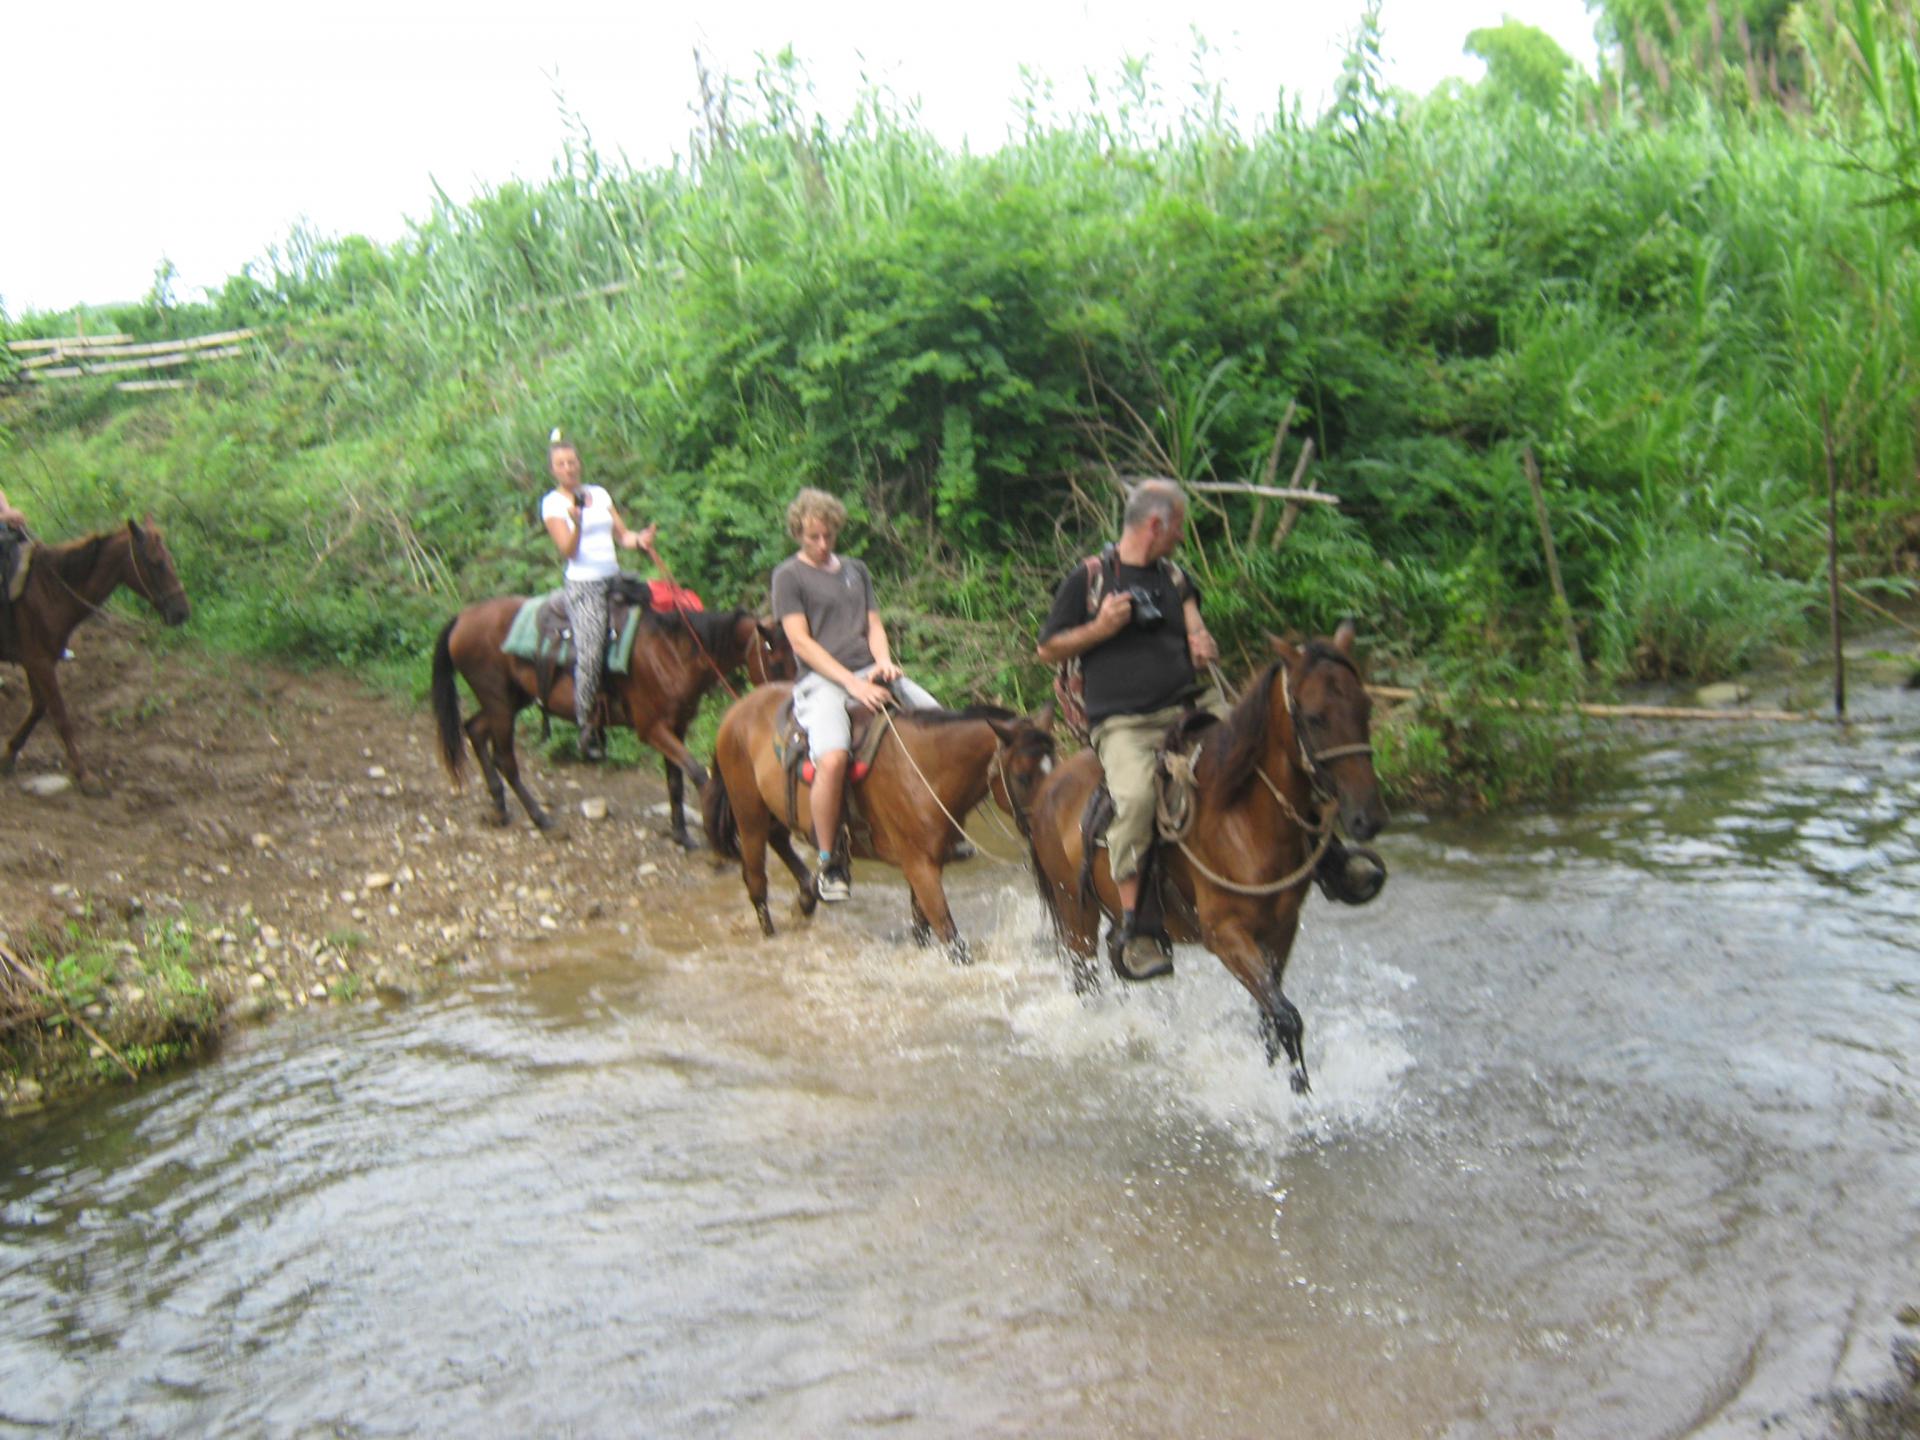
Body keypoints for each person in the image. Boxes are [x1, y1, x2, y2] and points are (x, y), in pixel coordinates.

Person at [1035, 480, 1227, 980]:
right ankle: (1134, 927)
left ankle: (1322, 855)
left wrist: (1201, 640)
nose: (1182, 535)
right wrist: (1099, 628)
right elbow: (1048, 648)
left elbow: (1193, 626)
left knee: (1255, 748)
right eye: (1179, 526)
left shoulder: (1176, 577)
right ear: (1155, 525)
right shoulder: (1089, 579)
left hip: (1187, 706)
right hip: (1123, 723)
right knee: (1138, 798)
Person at [771, 487, 941, 903]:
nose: (822, 543)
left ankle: (942, 832)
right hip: (822, 680)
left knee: (941, 724)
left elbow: (874, 624)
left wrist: (884, 661)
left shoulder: (855, 570)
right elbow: (801, 643)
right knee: (833, 758)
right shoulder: (788, 577)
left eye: (828, 535)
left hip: (869, 669)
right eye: (813, 537)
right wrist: (852, 684)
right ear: (798, 533)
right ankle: (829, 859)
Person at [539, 433, 655, 761]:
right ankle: (586, 723)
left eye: (572, 462)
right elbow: (566, 549)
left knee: (657, 614)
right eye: (561, 464)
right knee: (590, 650)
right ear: (553, 469)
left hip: (614, 577)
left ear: (579, 463)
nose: (568, 468)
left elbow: (622, 536)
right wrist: (576, 523)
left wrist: (640, 539)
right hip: (584, 585)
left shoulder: (599, 494)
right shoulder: (553, 503)